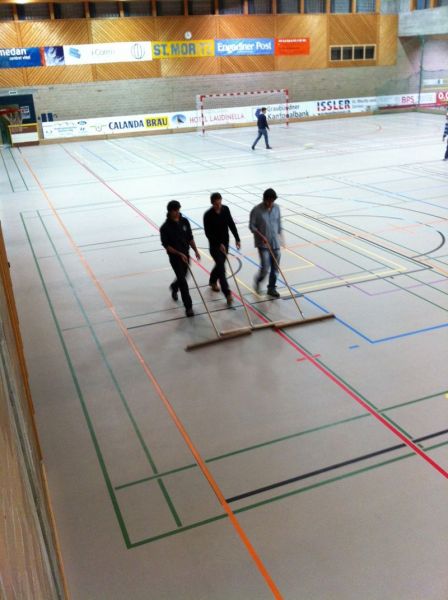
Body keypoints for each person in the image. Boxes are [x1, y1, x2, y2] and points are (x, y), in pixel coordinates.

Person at [160, 200, 201, 317]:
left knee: (184, 276)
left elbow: (190, 238)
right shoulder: (165, 228)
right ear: (169, 211)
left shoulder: (184, 221)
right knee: (183, 282)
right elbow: (167, 246)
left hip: (186, 255)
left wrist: (195, 250)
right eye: (175, 211)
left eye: (178, 210)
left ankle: (174, 286)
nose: (177, 212)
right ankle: (189, 307)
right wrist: (179, 254)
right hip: (175, 258)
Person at [203, 192, 241, 306]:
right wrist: (219, 244)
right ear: (212, 203)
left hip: (225, 243)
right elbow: (208, 233)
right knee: (222, 269)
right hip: (214, 246)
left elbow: (231, 224)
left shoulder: (225, 209)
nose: (218, 206)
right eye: (216, 204)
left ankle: (212, 281)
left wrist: (237, 238)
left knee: (220, 265)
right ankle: (227, 294)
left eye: (220, 203)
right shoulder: (208, 215)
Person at [249, 188, 283, 298]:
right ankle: (258, 281)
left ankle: (271, 288)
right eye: (268, 201)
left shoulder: (277, 208)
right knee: (265, 267)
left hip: (275, 243)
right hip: (263, 244)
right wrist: (261, 236)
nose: (270, 203)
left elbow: (279, 223)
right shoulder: (256, 210)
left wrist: (280, 237)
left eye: (272, 201)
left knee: (275, 268)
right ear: (264, 199)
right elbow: (252, 226)